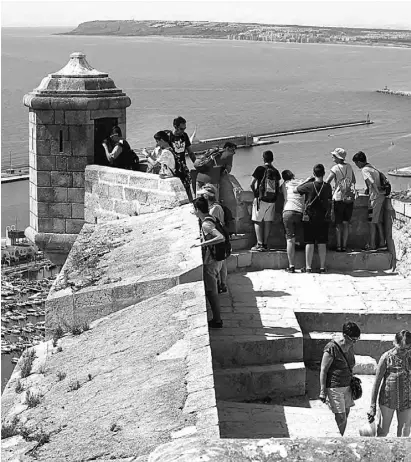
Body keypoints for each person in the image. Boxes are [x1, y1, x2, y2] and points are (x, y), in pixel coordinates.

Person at [319, 322, 361, 436]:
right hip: (334, 386)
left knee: (346, 413)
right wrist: (323, 391)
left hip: (347, 386)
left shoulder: (350, 346)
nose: (355, 342)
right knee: (341, 416)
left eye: (357, 339)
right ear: (345, 336)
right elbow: (323, 369)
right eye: (353, 339)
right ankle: (339, 439)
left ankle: (340, 435)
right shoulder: (331, 348)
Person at [368, 330, 411, 437]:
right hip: (387, 401)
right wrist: (372, 406)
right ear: (394, 343)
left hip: (407, 401)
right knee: (383, 432)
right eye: (401, 349)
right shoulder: (386, 358)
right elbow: (377, 383)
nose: (404, 352)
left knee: (404, 435)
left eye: (407, 349)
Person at [191, 196, 225, 329]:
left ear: (197, 209)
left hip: (211, 262)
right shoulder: (211, 218)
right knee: (212, 290)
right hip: (218, 260)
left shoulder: (206, 223)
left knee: (212, 292)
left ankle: (217, 320)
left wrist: (202, 243)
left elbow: (220, 237)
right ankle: (217, 318)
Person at [296, 164, 332, 273]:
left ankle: (308, 267)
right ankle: (322, 267)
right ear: (324, 173)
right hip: (323, 217)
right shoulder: (327, 187)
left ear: (313, 173)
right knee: (322, 242)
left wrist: (307, 181)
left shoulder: (309, 185)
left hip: (310, 217)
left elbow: (298, 189)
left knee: (309, 242)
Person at [352, 151, 386, 250]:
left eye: (356, 163)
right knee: (378, 221)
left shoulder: (365, 170)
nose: (356, 165)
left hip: (375, 198)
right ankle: (382, 243)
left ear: (359, 162)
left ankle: (372, 245)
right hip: (381, 197)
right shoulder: (372, 167)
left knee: (371, 222)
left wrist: (375, 191)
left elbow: (371, 181)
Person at [198, 183, 228, 294]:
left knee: (219, 263)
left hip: (218, 240)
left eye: (203, 195)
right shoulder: (213, 207)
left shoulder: (215, 208)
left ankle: (221, 285)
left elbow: (214, 225)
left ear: (207, 196)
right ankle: (221, 284)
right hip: (219, 239)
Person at [325, 148, 356, 252]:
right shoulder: (350, 166)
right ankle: (345, 245)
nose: (332, 157)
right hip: (348, 198)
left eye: (334, 156)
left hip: (338, 197)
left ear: (338, 158)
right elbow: (354, 180)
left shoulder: (335, 168)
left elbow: (327, 182)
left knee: (338, 224)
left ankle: (339, 246)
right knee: (346, 223)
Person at [250, 150, 281, 252]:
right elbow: (278, 187)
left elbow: (252, 184)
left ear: (263, 158)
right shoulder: (276, 171)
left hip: (261, 199)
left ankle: (259, 244)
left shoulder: (260, 169)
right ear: (272, 159)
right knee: (267, 221)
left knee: (257, 220)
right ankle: (266, 244)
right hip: (271, 200)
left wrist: (256, 193)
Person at [281, 170, 304, 273]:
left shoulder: (284, 185)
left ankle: (291, 266)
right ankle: (304, 265)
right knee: (300, 238)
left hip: (287, 211)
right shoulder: (299, 182)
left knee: (290, 239)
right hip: (299, 212)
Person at [169, 116, 196, 201]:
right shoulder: (169, 137)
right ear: (175, 127)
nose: (183, 131)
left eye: (184, 128)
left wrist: (196, 164)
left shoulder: (184, 136)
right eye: (181, 129)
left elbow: (190, 152)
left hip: (183, 166)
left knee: (187, 187)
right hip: (173, 167)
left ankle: (191, 203)